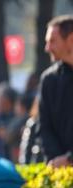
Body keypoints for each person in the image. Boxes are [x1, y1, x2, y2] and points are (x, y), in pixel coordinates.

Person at [38, 14, 73, 168]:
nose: (47, 48)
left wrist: (70, 159)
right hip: (59, 171)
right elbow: (45, 126)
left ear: (71, 40)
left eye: (52, 41)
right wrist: (58, 160)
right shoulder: (49, 79)